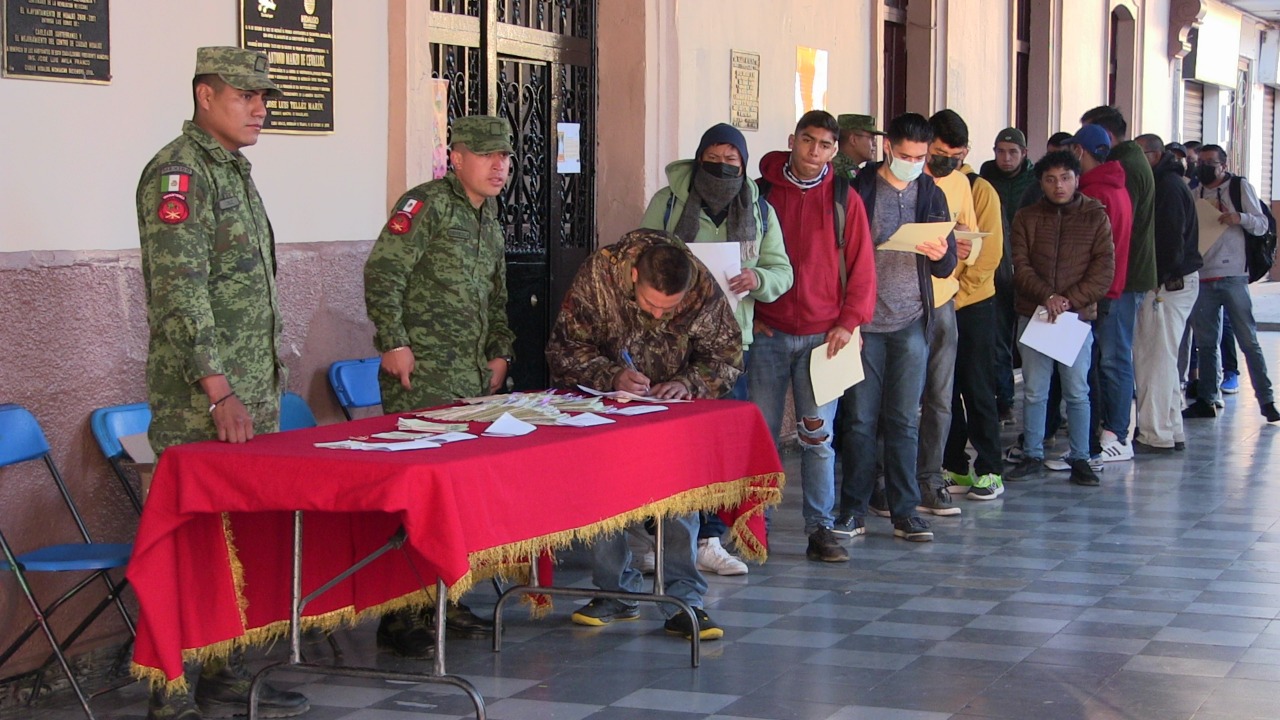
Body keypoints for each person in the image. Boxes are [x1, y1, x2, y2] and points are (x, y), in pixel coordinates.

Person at [136, 46, 310, 720]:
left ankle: (229, 678)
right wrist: (218, 389)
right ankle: (169, 693)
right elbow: (181, 295)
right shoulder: (180, 175)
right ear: (205, 96)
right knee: (187, 547)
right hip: (201, 405)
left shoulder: (233, 171)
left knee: (235, 540)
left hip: (249, 398)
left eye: (264, 96)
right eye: (245, 95)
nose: (260, 108)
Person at [363, 114, 518, 656]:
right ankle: (401, 615)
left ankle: (444, 601)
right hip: (422, 376)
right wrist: (393, 340)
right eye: (486, 155)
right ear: (457, 157)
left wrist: (501, 350)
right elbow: (384, 273)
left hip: (472, 378)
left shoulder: (489, 217)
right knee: (416, 496)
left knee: (454, 497)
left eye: (505, 156)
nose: (499, 165)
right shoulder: (425, 205)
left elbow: (498, 294)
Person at [545, 229, 743, 640]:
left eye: (668, 310)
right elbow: (564, 349)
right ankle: (615, 592)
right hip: (608, 411)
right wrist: (611, 374)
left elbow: (726, 355)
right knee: (605, 500)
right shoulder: (599, 274)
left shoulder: (698, 284)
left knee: (679, 504)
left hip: (670, 415)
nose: (657, 316)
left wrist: (688, 382)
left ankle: (686, 600)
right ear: (634, 275)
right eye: (651, 305)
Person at [640, 122, 793, 576]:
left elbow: (781, 269)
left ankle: (708, 537)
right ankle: (659, 538)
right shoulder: (668, 203)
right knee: (668, 448)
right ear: (699, 155)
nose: (723, 166)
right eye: (715, 157)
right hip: (668, 343)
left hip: (729, 348)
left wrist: (757, 280)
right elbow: (638, 256)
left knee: (716, 450)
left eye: (733, 160)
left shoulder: (760, 211)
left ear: (744, 165)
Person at [752, 110, 877, 561]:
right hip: (768, 333)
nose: (815, 152)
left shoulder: (845, 198)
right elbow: (744, 259)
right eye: (808, 141)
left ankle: (819, 529)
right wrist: (751, 317)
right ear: (792, 139)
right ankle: (755, 528)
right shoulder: (761, 194)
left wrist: (849, 321)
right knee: (762, 436)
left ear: (835, 150)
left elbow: (863, 268)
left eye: (825, 145)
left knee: (817, 437)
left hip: (826, 339)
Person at [837, 112, 957, 542]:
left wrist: (941, 251)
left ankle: (905, 510)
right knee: (860, 420)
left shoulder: (930, 193)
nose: (913, 163)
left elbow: (947, 264)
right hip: (866, 321)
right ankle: (853, 508)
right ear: (889, 147)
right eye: (906, 155)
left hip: (911, 319)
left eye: (920, 157)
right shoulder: (862, 188)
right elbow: (842, 251)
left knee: (906, 418)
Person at [1005, 151, 1115, 487]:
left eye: (1065, 177)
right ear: (1041, 182)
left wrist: (1069, 300)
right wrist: (1047, 297)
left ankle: (1081, 456)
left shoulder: (1096, 216)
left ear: (1077, 179)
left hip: (1075, 318)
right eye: (1051, 179)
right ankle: (1033, 454)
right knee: (1035, 391)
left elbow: (1103, 270)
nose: (1059, 185)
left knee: (1077, 390)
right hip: (1035, 313)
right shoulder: (1026, 216)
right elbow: (1019, 265)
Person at [913, 109, 990, 514]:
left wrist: (962, 245)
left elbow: (970, 237)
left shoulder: (961, 184)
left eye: (955, 157)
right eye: (940, 153)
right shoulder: (902, 177)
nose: (945, 163)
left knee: (942, 396)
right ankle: (890, 480)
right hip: (903, 299)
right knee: (902, 397)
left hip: (944, 297)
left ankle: (932, 476)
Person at [1079, 106, 1158, 460]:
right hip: (1119, 282)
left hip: (1117, 285)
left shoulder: (1108, 187)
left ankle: (1117, 432)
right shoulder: (1119, 178)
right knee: (1109, 356)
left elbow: (1104, 246)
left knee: (1114, 357)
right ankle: (1111, 426)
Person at [1183, 145, 1280, 423]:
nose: (1203, 167)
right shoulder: (1195, 192)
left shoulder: (1238, 187)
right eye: (1199, 162)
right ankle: (1206, 399)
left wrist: (1240, 218)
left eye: (1209, 162)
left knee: (1248, 340)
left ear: (1223, 165)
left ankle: (1267, 400)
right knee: (1205, 343)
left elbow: (1262, 225)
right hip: (1203, 275)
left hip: (1234, 274)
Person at [942, 122, 1007, 502]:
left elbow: (989, 254)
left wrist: (957, 294)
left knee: (978, 387)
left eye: (952, 152)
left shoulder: (980, 190)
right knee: (943, 390)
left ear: (965, 151)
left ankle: (990, 468)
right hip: (936, 303)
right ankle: (954, 465)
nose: (945, 159)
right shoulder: (926, 185)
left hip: (973, 303)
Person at [1063, 124, 1133, 464]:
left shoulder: (1096, 193)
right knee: (1105, 363)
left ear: (1080, 152)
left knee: (1107, 364)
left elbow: (1093, 251)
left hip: (1099, 291)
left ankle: (1115, 434)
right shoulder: (1115, 186)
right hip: (1111, 287)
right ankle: (1107, 432)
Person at [1131, 133, 1202, 452]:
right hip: (1174, 282)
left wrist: (1155, 279)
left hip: (1167, 285)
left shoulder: (1167, 188)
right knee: (1164, 357)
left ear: (1154, 156)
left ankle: (1154, 434)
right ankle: (1170, 429)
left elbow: (1170, 242)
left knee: (1154, 359)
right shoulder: (1170, 183)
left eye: (1138, 154)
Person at [980, 128, 1037, 423]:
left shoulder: (1037, 183)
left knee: (1032, 340)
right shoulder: (983, 181)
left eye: (1012, 152)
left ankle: (1042, 407)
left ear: (1024, 154)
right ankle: (1004, 400)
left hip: (1030, 271)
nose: (1006, 158)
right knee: (998, 339)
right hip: (997, 269)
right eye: (1000, 151)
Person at [833, 113, 884, 180]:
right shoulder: (838, 172)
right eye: (871, 138)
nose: (875, 144)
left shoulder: (849, 169)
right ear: (853, 140)